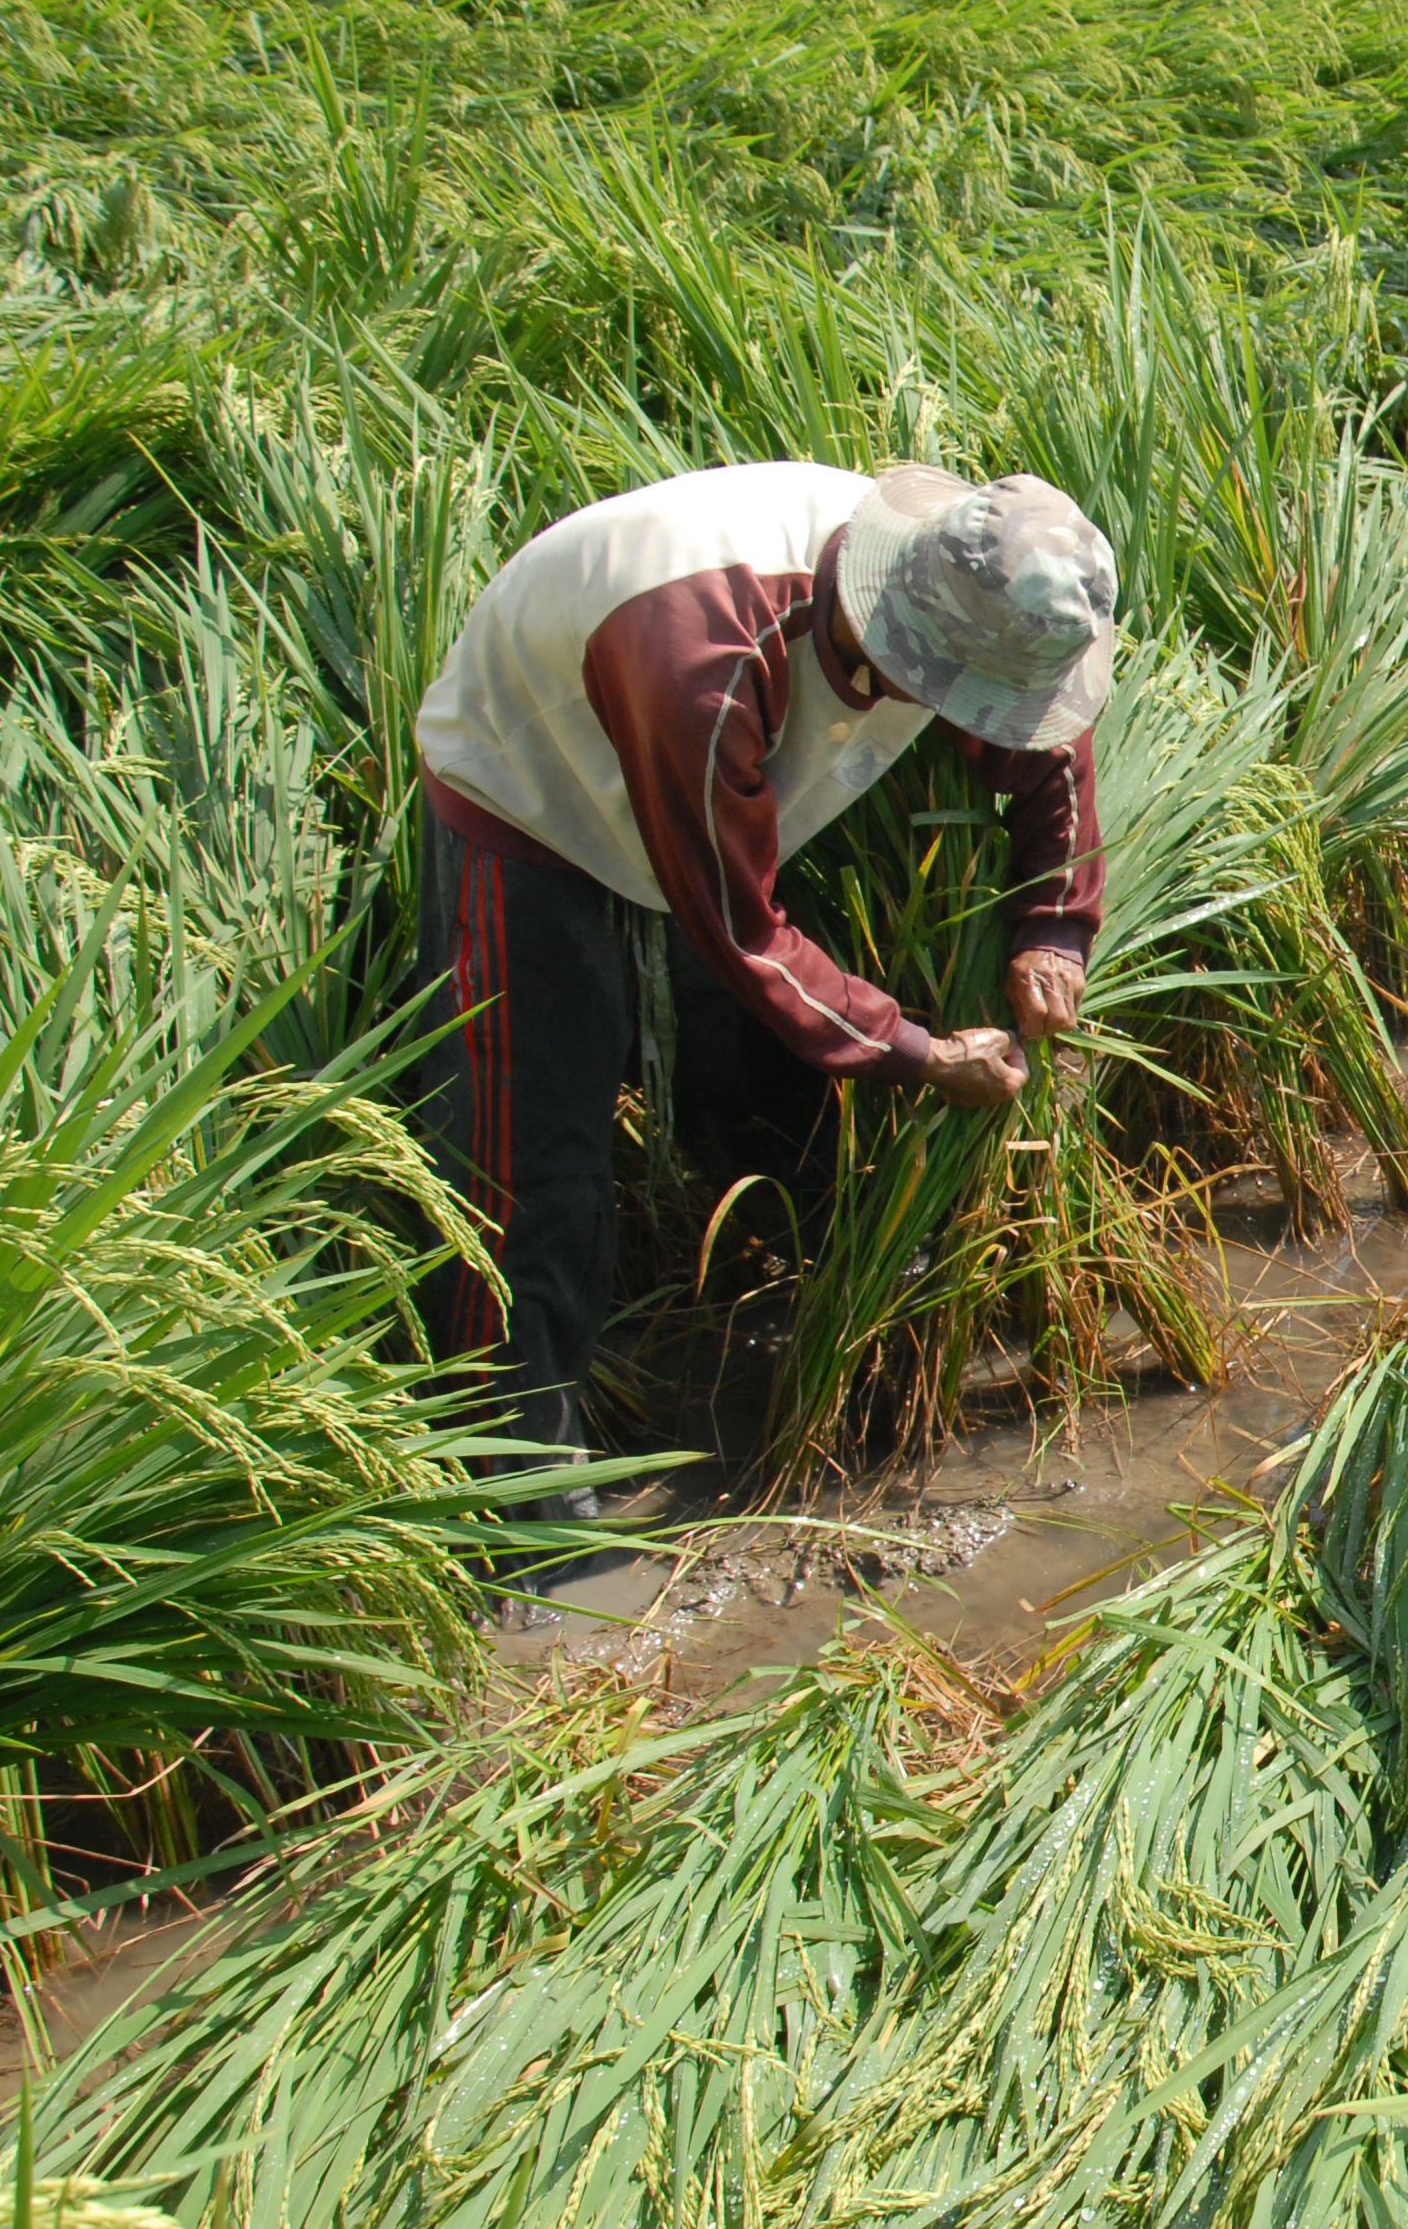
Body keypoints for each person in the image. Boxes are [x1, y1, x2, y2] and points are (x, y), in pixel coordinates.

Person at [407, 460, 1121, 1507]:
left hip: (724, 793)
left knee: (751, 1075)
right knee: (535, 1165)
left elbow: (1049, 748)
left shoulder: (976, 578)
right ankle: (510, 1487)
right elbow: (741, 931)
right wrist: (920, 1055)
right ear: (898, 638)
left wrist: (1054, 923)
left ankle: (778, 1301)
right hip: (534, 793)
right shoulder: (704, 653)